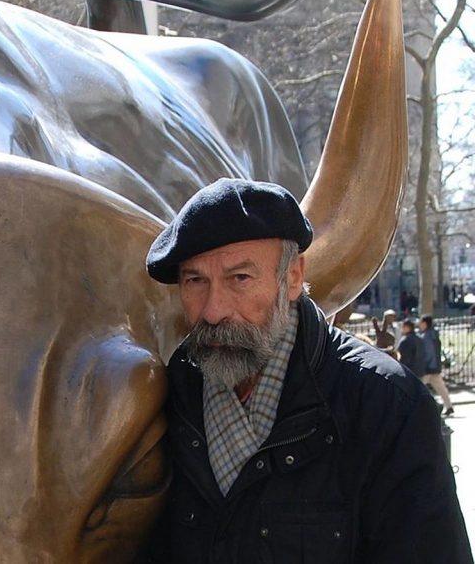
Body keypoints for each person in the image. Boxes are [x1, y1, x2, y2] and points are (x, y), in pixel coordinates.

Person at [143, 178, 470, 563]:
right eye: (195, 281)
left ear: (293, 277)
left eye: (240, 278)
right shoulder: (171, 396)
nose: (214, 310)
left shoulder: (384, 404)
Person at [418, 314, 454, 416]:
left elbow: (428, 353)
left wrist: (425, 365)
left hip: (428, 368)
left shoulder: (425, 337)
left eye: (420, 323)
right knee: (441, 388)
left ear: (424, 323)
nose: (419, 325)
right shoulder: (434, 334)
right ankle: (449, 406)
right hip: (435, 366)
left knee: (418, 387)